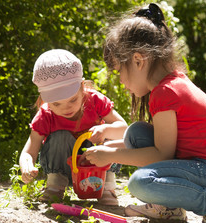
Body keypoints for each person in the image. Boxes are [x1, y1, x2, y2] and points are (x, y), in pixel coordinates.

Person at [84, 3, 206, 223]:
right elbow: (161, 146)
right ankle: (168, 209)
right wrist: (110, 148)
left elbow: (162, 155)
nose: (119, 81)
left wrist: (110, 156)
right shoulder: (169, 84)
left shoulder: (165, 92)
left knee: (140, 183)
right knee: (136, 133)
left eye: (119, 70)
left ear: (138, 60)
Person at [19, 49, 127, 206]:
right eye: (56, 104)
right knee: (60, 136)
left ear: (82, 87)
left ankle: (106, 187)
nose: (66, 108)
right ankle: (55, 186)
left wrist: (105, 130)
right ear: (44, 99)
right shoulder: (46, 115)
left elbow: (123, 129)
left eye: (72, 100)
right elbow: (29, 150)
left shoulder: (95, 101)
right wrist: (27, 166)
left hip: (96, 168)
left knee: (109, 134)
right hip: (64, 169)